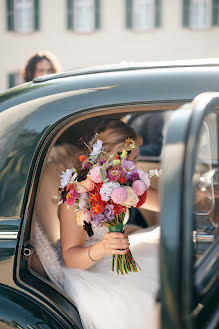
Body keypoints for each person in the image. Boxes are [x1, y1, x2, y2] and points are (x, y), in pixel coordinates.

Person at [33, 119, 160, 329]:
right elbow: (71, 258)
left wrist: (197, 194)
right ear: (104, 155)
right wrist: (102, 248)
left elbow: (165, 202)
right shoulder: (77, 197)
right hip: (87, 269)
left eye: (135, 158)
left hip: (114, 255)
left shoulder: (124, 181)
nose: (133, 166)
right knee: (145, 296)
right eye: (126, 157)